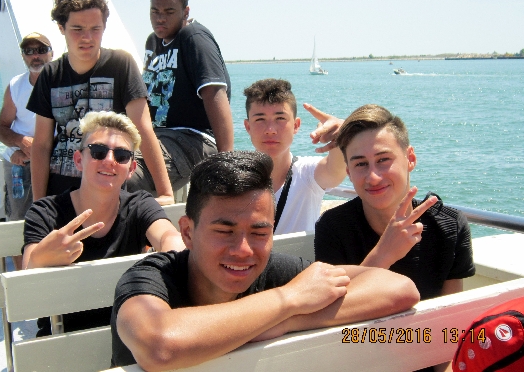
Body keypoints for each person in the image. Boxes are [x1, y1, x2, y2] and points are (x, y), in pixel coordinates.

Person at [111, 150, 420, 369]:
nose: (243, 250)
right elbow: (160, 346)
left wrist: (285, 320)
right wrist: (288, 300)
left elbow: (399, 289)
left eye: (259, 232)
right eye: (224, 231)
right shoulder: (150, 277)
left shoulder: (274, 270)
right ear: (188, 232)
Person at [314, 104, 475, 371]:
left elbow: (447, 335)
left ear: (410, 158)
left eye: (383, 160)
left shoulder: (448, 226)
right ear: (349, 172)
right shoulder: (334, 227)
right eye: (360, 164)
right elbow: (333, 324)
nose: (373, 176)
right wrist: (383, 255)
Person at [22, 111, 185, 336]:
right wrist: (41, 259)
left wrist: (175, 253)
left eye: (121, 155)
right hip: (61, 338)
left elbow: (167, 235)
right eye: (98, 152)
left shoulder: (139, 205)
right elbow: (25, 287)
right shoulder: (45, 213)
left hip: (128, 336)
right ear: (79, 160)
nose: (109, 160)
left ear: (131, 169)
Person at [27, 0, 174, 205]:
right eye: (77, 29)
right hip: (59, 193)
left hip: (109, 189)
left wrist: (165, 192)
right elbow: (41, 145)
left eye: (95, 29)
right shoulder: (50, 74)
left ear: (104, 27)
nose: (87, 37)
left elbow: (143, 128)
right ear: (61, 27)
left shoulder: (121, 64)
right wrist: (39, 204)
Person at [126, 0, 234, 194]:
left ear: (185, 12)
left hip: (193, 138)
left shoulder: (194, 37)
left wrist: (226, 164)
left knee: (124, 175)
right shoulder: (152, 42)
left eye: (169, 12)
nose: (160, 18)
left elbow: (214, 94)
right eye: (155, 11)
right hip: (157, 136)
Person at [243, 78, 346, 234]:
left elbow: (335, 171)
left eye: (280, 118)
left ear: (296, 125)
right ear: (248, 126)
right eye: (260, 119)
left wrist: (340, 134)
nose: (270, 130)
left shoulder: (307, 174)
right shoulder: (236, 179)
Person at [0, 32, 53, 270]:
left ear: (52, 53)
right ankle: (22, 276)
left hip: (53, 161)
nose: (35, 55)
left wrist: (38, 149)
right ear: (23, 56)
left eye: (41, 49)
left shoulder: (62, 83)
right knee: (19, 224)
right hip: (20, 165)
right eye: (29, 51)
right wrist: (20, 143)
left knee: (54, 219)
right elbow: (1, 129)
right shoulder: (15, 86)